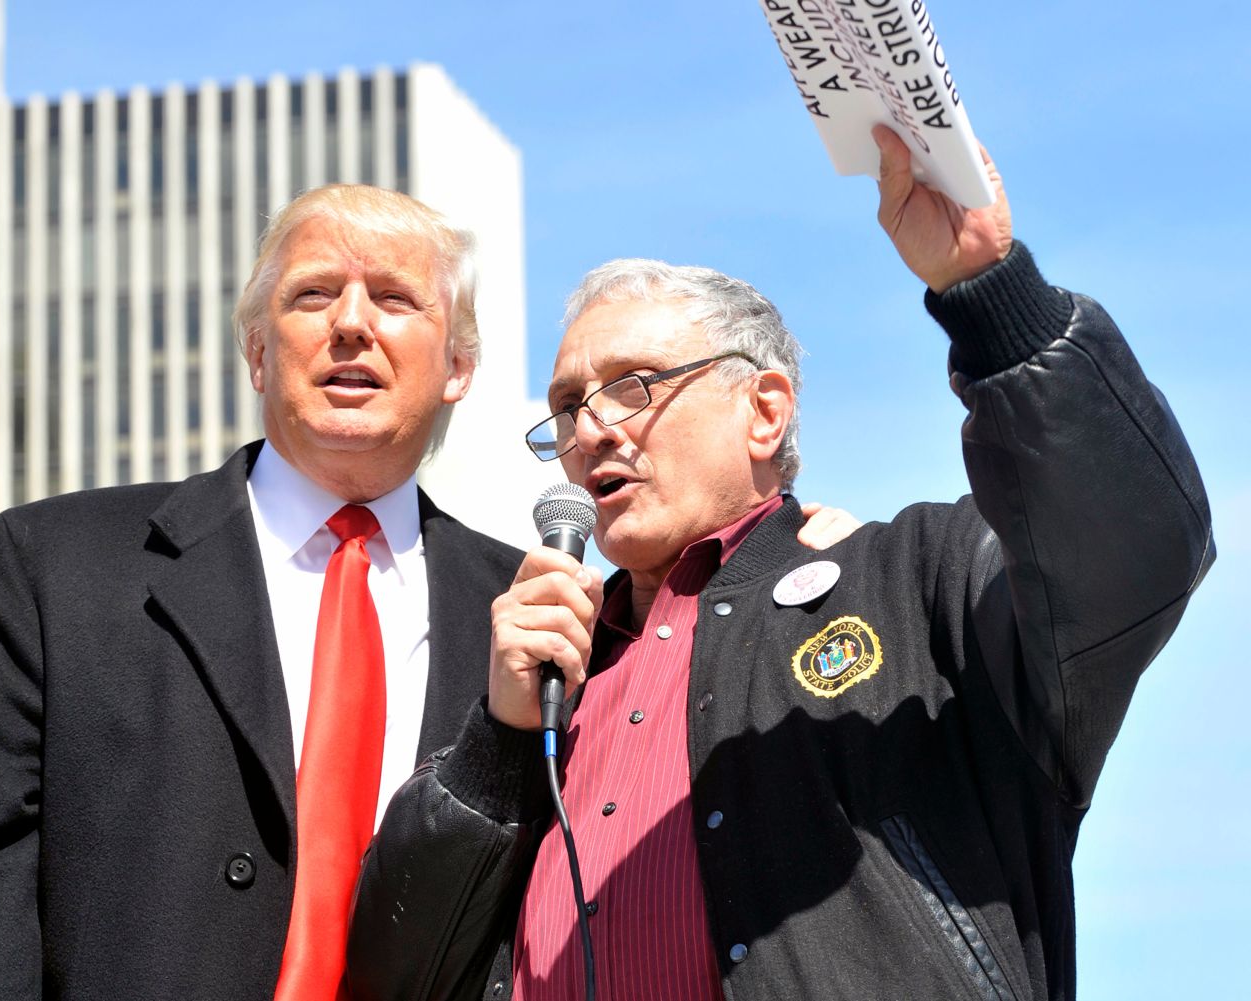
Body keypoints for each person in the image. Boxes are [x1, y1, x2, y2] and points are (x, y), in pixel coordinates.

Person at [345, 127, 1215, 1001]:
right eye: (569, 405)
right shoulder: (537, 674)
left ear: (763, 412)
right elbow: (390, 974)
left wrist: (992, 297)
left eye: (632, 386)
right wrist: (499, 740)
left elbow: (1133, 553)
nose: (590, 430)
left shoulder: (914, 582)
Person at [0, 182, 854, 1001]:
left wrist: (811, 562)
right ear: (256, 351)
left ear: (459, 368)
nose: (352, 323)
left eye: (394, 299)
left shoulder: (542, 611)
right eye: (313, 295)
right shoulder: (56, 564)